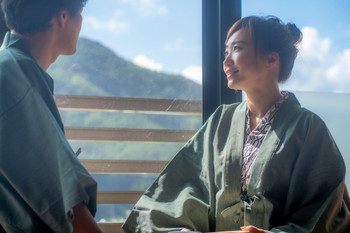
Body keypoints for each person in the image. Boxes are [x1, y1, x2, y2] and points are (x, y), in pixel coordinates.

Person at [122, 16, 350, 233]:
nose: (226, 61)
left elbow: (324, 214)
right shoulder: (221, 121)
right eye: (226, 51)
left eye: (238, 48)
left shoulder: (308, 127)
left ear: (271, 58)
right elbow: (183, 187)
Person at [0, 0, 104, 232]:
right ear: (63, 17)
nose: (82, 22)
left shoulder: (13, 68)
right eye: (81, 12)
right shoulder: (12, 76)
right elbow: (67, 203)